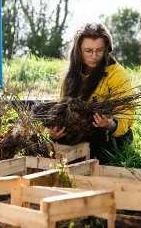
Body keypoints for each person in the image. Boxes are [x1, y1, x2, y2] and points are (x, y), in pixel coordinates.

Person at [49, 22, 134, 164]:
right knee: (59, 145)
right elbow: (62, 111)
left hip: (109, 134)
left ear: (106, 49)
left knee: (98, 142)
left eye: (99, 50)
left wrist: (110, 124)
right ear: (78, 51)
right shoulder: (71, 76)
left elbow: (128, 113)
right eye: (88, 51)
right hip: (80, 132)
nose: (94, 56)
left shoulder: (117, 74)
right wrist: (55, 134)